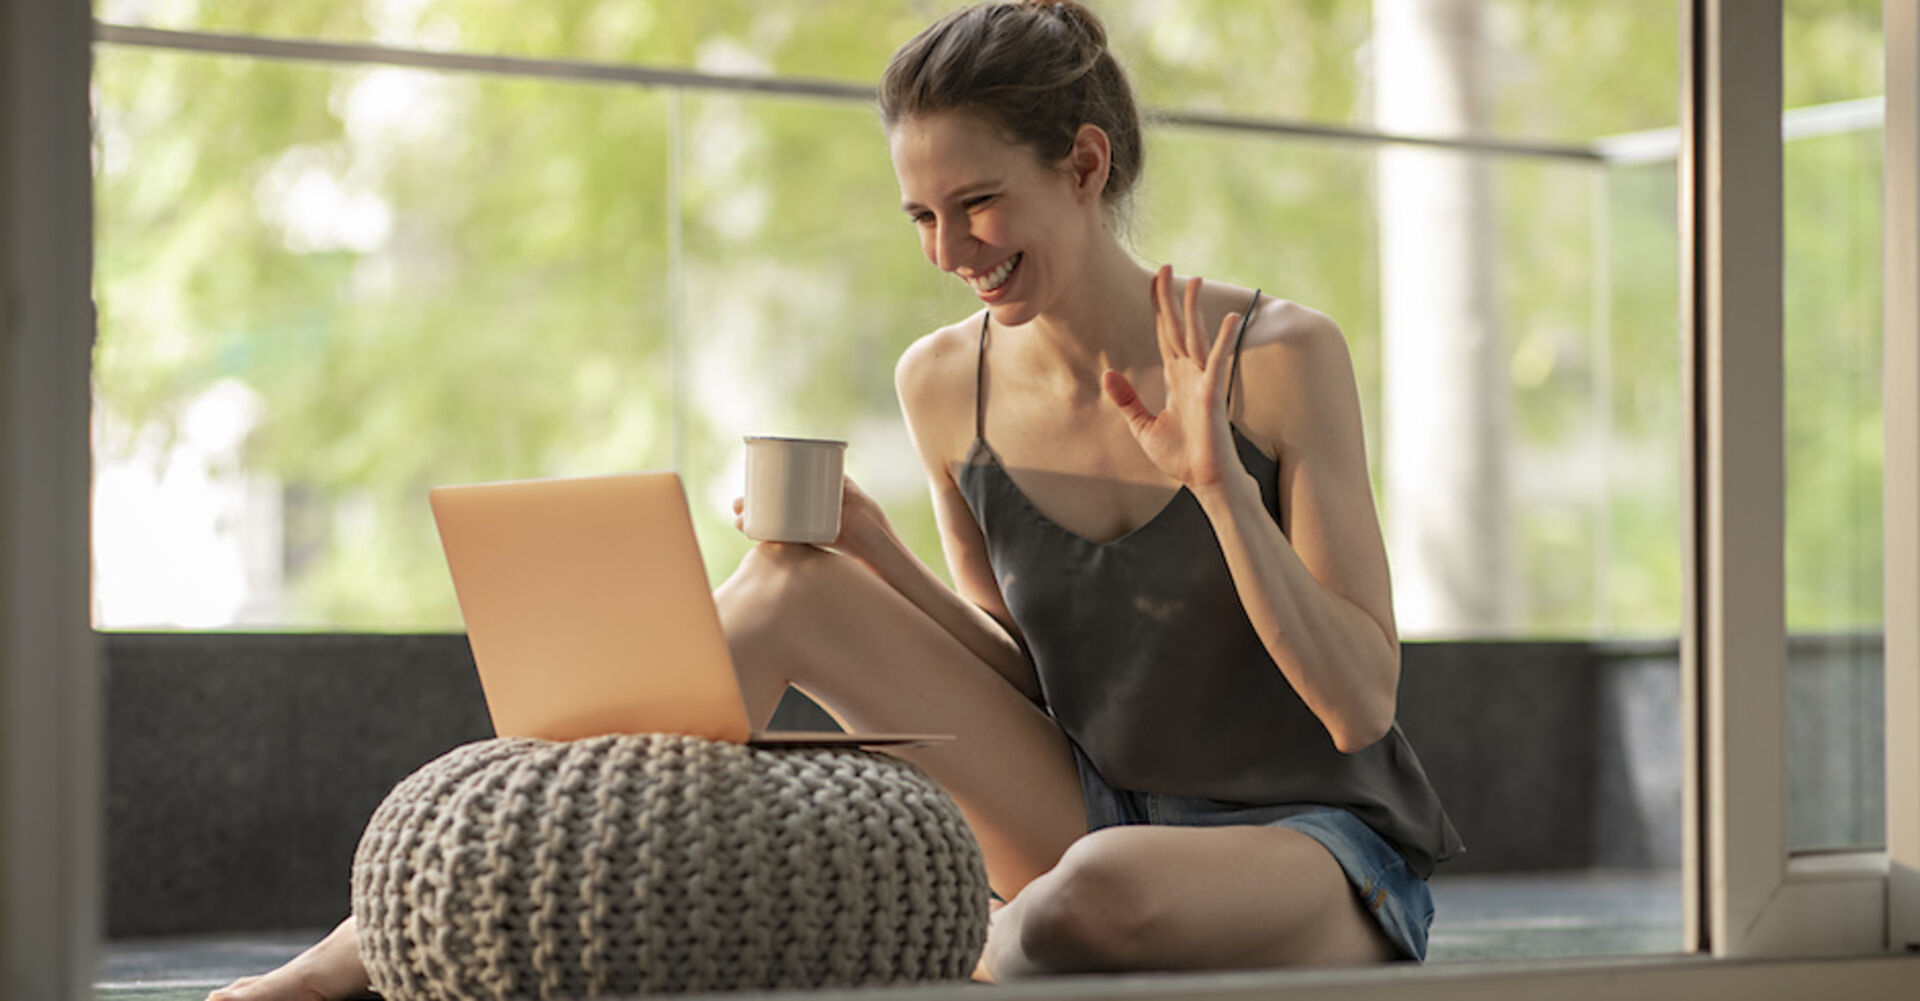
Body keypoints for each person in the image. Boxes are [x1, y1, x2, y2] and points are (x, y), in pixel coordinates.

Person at [210, 2, 1460, 996]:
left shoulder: (1280, 356)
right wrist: (873, 550)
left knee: (1087, 898)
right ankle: (373, 942)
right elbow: (1034, 683)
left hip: (1312, 841)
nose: (948, 249)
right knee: (792, 583)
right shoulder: (946, 383)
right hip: (1089, 807)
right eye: (921, 213)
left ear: (1083, 166)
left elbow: (1359, 702)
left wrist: (1220, 491)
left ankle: (918, 945)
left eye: (978, 203)